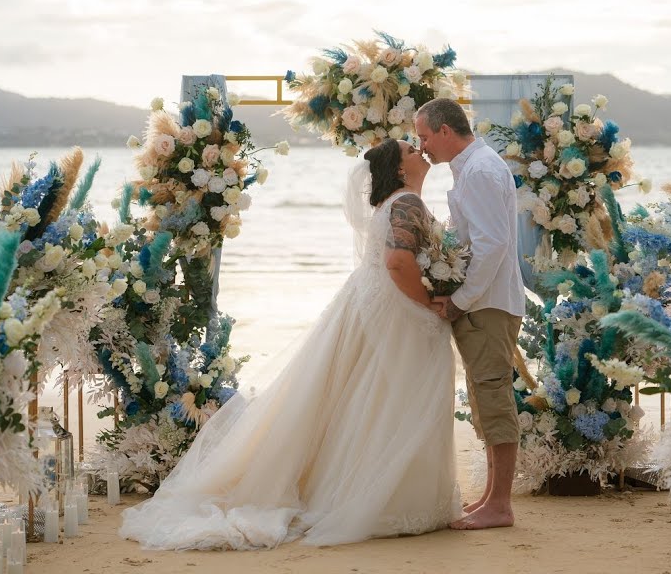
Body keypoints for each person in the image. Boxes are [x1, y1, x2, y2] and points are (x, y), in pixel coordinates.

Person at [118, 139, 462, 550]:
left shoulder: (391, 204)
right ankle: (389, 498)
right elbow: (397, 262)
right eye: (410, 148)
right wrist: (430, 304)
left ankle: (369, 491)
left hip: (370, 304)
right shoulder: (406, 203)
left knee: (367, 400)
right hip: (395, 311)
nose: (418, 150)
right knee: (395, 398)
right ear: (401, 169)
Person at [414, 98, 525, 531]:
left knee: (494, 398)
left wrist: (460, 300)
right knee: (483, 398)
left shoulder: (479, 170)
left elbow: (493, 244)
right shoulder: (473, 167)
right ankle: (491, 499)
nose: (422, 147)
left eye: (424, 136)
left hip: (488, 304)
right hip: (486, 301)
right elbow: (473, 238)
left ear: (445, 131)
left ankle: (500, 505)